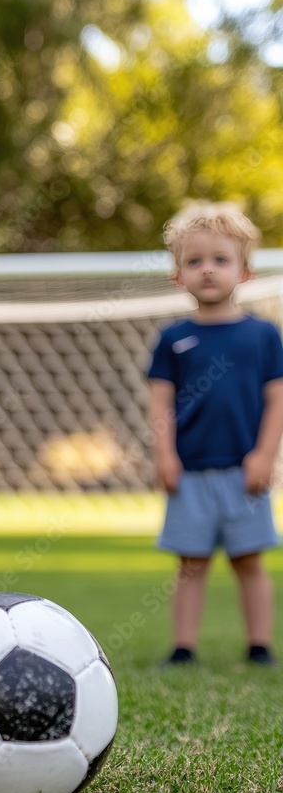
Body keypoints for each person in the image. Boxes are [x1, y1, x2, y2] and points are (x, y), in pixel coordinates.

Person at [148, 202, 283, 666]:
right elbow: (160, 402)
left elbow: (276, 400)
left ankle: (259, 645)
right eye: (195, 261)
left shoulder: (264, 336)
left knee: (249, 560)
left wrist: (265, 456)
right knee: (191, 562)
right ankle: (183, 647)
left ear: (244, 272)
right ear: (177, 275)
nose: (208, 270)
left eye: (221, 260)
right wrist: (164, 454)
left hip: (245, 472)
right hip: (189, 473)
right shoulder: (172, 339)